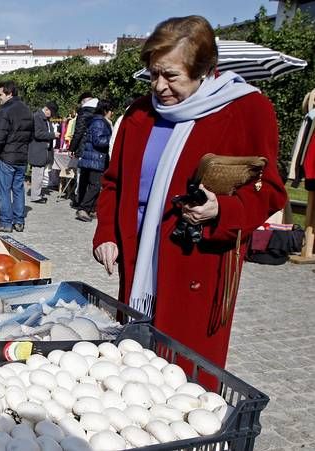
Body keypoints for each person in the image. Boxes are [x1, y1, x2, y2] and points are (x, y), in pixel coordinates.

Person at [92, 15, 287, 378]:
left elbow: (270, 191)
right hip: (139, 263)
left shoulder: (248, 110)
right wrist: (106, 233)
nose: (159, 86)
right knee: (133, 366)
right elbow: (113, 183)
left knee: (185, 374)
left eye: (171, 76)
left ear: (206, 70)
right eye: (154, 74)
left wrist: (223, 210)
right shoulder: (139, 113)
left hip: (199, 262)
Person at [0, 80, 33, 233]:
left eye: (0, 94)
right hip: (22, 157)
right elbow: (31, 135)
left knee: (3, 190)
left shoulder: (4, 111)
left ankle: (5, 222)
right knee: (18, 189)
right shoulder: (27, 110)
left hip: (6, 156)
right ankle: (19, 221)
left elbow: (0, 136)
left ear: (9, 93)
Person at [75, 99, 113, 222]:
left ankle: (89, 208)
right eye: (111, 110)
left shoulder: (95, 120)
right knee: (95, 185)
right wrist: (112, 140)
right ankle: (84, 208)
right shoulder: (100, 122)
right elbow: (98, 141)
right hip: (95, 158)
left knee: (89, 183)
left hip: (91, 157)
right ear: (106, 110)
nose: (112, 113)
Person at [28, 101, 57, 203]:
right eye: (51, 112)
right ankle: (35, 196)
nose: (52, 115)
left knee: (40, 174)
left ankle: (37, 194)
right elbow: (38, 134)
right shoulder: (37, 117)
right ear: (47, 109)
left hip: (43, 151)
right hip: (37, 150)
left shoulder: (46, 119)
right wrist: (53, 135)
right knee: (37, 174)